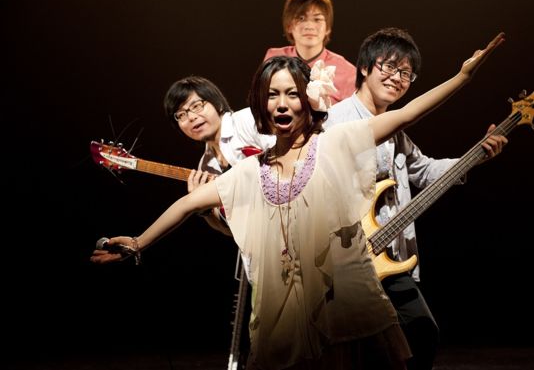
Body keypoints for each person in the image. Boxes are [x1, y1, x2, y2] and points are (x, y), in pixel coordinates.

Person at [91, 31, 505, 370]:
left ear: (307, 99)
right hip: (288, 307)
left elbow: (408, 113)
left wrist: (463, 77)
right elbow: (185, 205)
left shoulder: (335, 142)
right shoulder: (252, 171)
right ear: (261, 104)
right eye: (273, 95)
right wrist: (138, 242)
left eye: (292, 93)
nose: (282, 103)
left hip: (346, 297)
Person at [324, 27, 508, 370]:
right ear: (364, 67)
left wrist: (477, 154)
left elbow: (424, 171)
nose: (397, 78)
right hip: (347, 259)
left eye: (406, 73)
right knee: (374, 347)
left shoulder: (397, 134)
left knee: (419, 335)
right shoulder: (336, 121)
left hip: (389, 256)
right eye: (389, 67)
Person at [163, 75, 275, 234]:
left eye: (197, 106)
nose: (191, 117)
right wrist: (203, 208)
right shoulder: (204, 167)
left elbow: (290, 159)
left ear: (218, 104)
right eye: (181, 115)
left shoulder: (247, 120)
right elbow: (229, 231)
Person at [263, 0, 356, 104]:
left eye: (317, 19)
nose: (309, 26)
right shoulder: (274, 58)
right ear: (289, 26)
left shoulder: (347, 72)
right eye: (301, 18)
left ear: (327, 28)